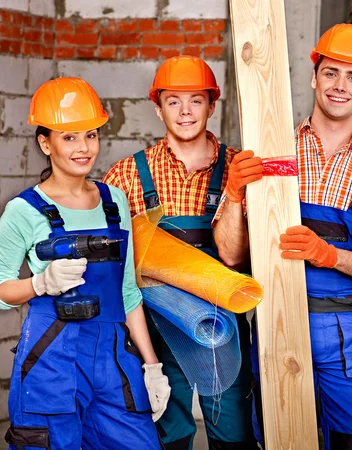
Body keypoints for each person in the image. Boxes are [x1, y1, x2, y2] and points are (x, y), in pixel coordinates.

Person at [213, 23, 352, 449]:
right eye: (331, 73)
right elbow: (231, 255)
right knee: (284, 441)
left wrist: (332, 255)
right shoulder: (273, 152)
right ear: (313, 76)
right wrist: (235, 194)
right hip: (278, 324)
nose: (339, 86)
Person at [0, 77, 169, 449]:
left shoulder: (115, 201)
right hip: (51, 357)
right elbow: (0, 291)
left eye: (91, 135)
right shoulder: (23, 211)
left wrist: (152, 366)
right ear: (45, 143)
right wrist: (38, 284)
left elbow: (127, 293)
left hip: (112, 356)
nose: (83, 148)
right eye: (69, 137)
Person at [103, 55, 257, 450]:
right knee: (166, 437)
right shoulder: (126, 175)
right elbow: (110, 265)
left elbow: (241, 259)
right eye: (174, 101)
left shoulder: (239, 169)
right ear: (158, 107)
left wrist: (236, 194)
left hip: (222, 328)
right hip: (156, 330)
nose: (185, 111)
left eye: (196, 100)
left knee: (233, 436)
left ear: (211, 105)